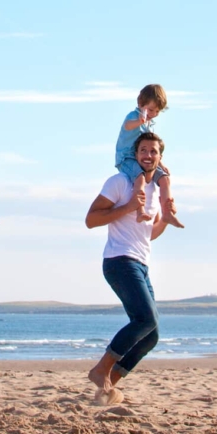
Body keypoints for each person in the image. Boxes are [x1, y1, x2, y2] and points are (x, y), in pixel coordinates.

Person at [86, 132, 172, 404]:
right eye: (143, 150)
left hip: (141, 262)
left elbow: (150, 233)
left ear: (160, 157)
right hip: (119, 260)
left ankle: (108, 387)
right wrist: (125, 208)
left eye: (153, 152)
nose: (148, 155)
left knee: (152, 333)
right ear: (135, 155)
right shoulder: (120, 182)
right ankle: (101, 370)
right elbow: (91, 219)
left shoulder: (156, 190)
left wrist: (167, 217)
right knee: (145, 320)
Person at [115, 83, 183, 228]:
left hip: (142, 159)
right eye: (151, 110)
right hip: (127, 158)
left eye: (157, 111)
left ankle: (167, 212)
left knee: (165, 179)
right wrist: (138, 121)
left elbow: (150, 149)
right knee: (140, 177)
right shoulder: (134, 116)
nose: (153, 114)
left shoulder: (150, 123)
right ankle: (140, 210)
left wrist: (161, 164)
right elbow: (127, 126)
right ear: (140, 103)